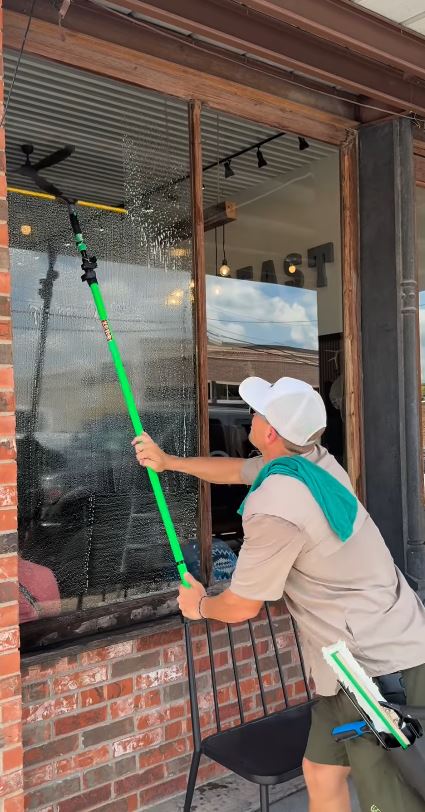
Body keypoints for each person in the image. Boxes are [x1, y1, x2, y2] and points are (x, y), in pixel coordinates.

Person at [132, 376, 425, 812]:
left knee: (392, 799)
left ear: (270, 432)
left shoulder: (276, 505)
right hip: (350, 665)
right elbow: (235, 470)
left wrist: (199, 606)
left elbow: (242, 606)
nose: (250, 414)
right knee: (322, 772)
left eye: (258, 410)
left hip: (378, 673)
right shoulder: (312, 461)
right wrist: (167, 462)